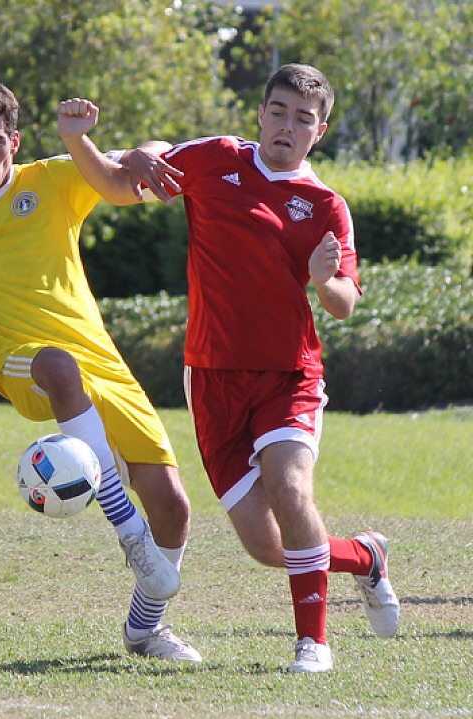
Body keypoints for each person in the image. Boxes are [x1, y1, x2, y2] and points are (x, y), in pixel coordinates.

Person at [57, 63, 400, 673]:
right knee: (269, 546)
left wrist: (326, 282)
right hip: (212, 380)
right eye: (278, 111)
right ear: (260, 114)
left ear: (319, 131)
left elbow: (344, 303)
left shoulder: (325, 205)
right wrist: (82, 140)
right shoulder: (216, 160)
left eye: (303, 119)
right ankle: (365, 557)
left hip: (288, 376)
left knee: (292, 492)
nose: (286, 126)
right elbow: (119, 183)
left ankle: (312, 644)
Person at [0, 78, 201, 662]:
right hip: (26, 365)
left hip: (101, 363)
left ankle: (145, 627)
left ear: (16, 141)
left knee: (175, 506)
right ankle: (126, 529)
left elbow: (127, 177)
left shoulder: (54, 177)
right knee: (57, 364)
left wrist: (134, 155)